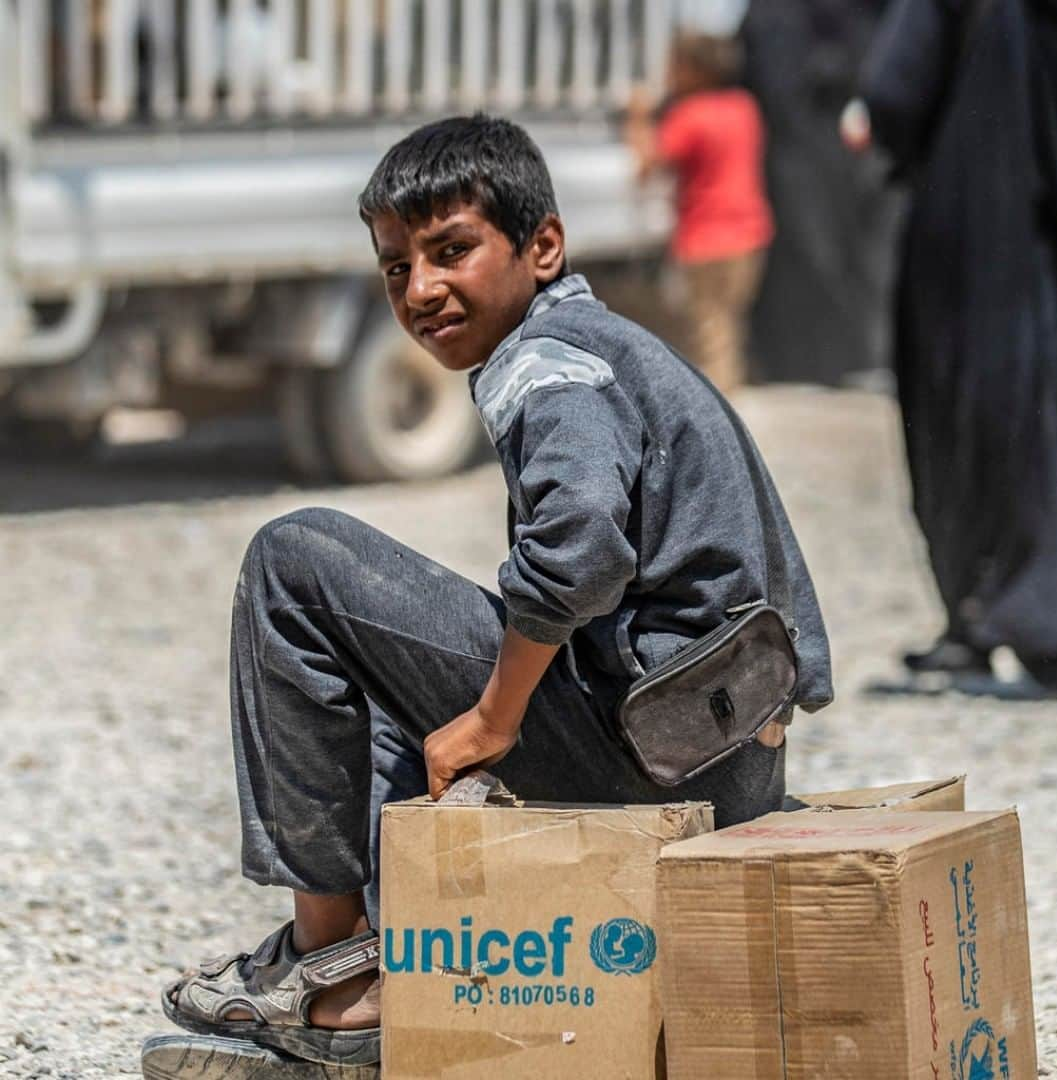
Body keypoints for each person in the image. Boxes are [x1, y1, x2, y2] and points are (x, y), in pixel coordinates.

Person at [161, 114, 832, 1064]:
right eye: (397, 267)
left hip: (655, 760)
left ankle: (332, 977)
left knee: (293, 559)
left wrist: (495, 718)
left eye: (452, 250)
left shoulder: (547, 363)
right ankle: (409, 951)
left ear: (543, 246)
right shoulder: (609, 346)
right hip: (720, 755)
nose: (422, 289)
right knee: (386, 666)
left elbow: (580, 551)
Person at [848, 0, 1057, 691]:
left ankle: (994, 615)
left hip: (976, 222)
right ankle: (1039, 610)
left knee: (965, 420)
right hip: (1056, 224)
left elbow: (890, 95)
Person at [625, 31, 773, 393]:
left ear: (694, 70)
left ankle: (718, 419)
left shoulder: (691, 116)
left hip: (706, 240)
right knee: (728, 329)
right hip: (751, 236)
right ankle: (729, 401)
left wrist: (638, 118)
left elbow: (648, 164)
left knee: (708, 335)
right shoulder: (744, 107)